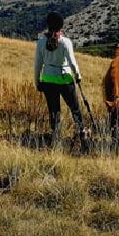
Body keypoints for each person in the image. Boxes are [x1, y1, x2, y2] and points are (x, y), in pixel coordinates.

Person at [34, 11, 87, 149]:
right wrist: (78, 76)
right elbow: (72, 62)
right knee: (75, 108)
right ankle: (82, 132)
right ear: (61, 26)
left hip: (47, 80)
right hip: (65, 80)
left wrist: (37, 82)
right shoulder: (65, 42)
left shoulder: (40, 43)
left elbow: (37, 65)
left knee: (54, 110)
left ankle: (55, 135)